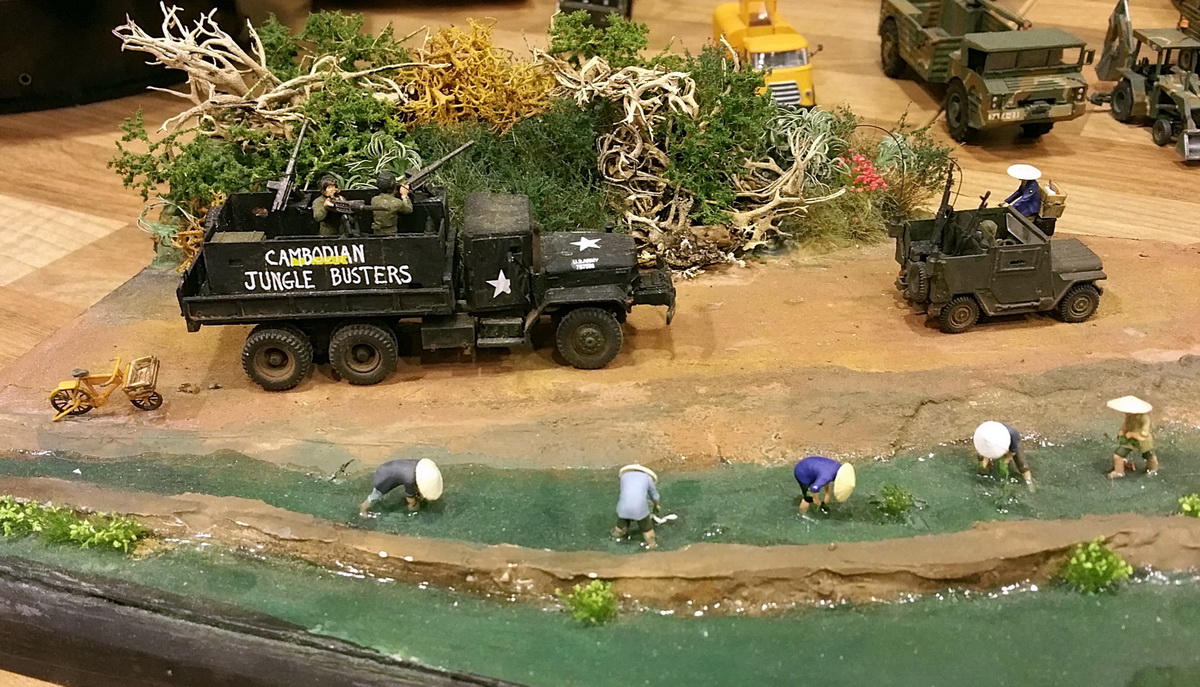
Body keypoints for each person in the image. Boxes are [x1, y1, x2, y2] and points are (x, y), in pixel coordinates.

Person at [358, 458, 443, 516]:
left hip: (389, 467)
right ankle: (363, 507)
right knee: (375, 496)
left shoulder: (418, 467)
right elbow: (410, 499)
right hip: (384, 477)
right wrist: (415, 506)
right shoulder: (409, 480)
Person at [612, 464, 661, 549]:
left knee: (620, 528)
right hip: (639, 508)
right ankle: (652, 546)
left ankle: (615, 539)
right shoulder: (647, 478)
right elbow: (654, 496)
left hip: (623, 507)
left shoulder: (624, 477)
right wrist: (657, 505)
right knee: (647, 529)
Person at [1106, 396, 1158, 478]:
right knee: (1118, 455)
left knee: (1149, 455)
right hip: (1129, 440)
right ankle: (1119, 471)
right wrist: (1122, 431)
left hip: (1142, 441)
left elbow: (1144, 433)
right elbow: (1125, 425)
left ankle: (1153, 469)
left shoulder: (1144, 419)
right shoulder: (1129, 416)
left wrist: (1132, 434)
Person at [973, 421, 1034, 488]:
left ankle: (1030, 485)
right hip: (989, 443)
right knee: (982, 461)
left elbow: (1012, 452)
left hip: (1012, 444)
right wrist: (985, 460)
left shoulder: (1013, 436)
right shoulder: (984, 436)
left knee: (1022, 465)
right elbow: (983, 450)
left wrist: (1006, 460)